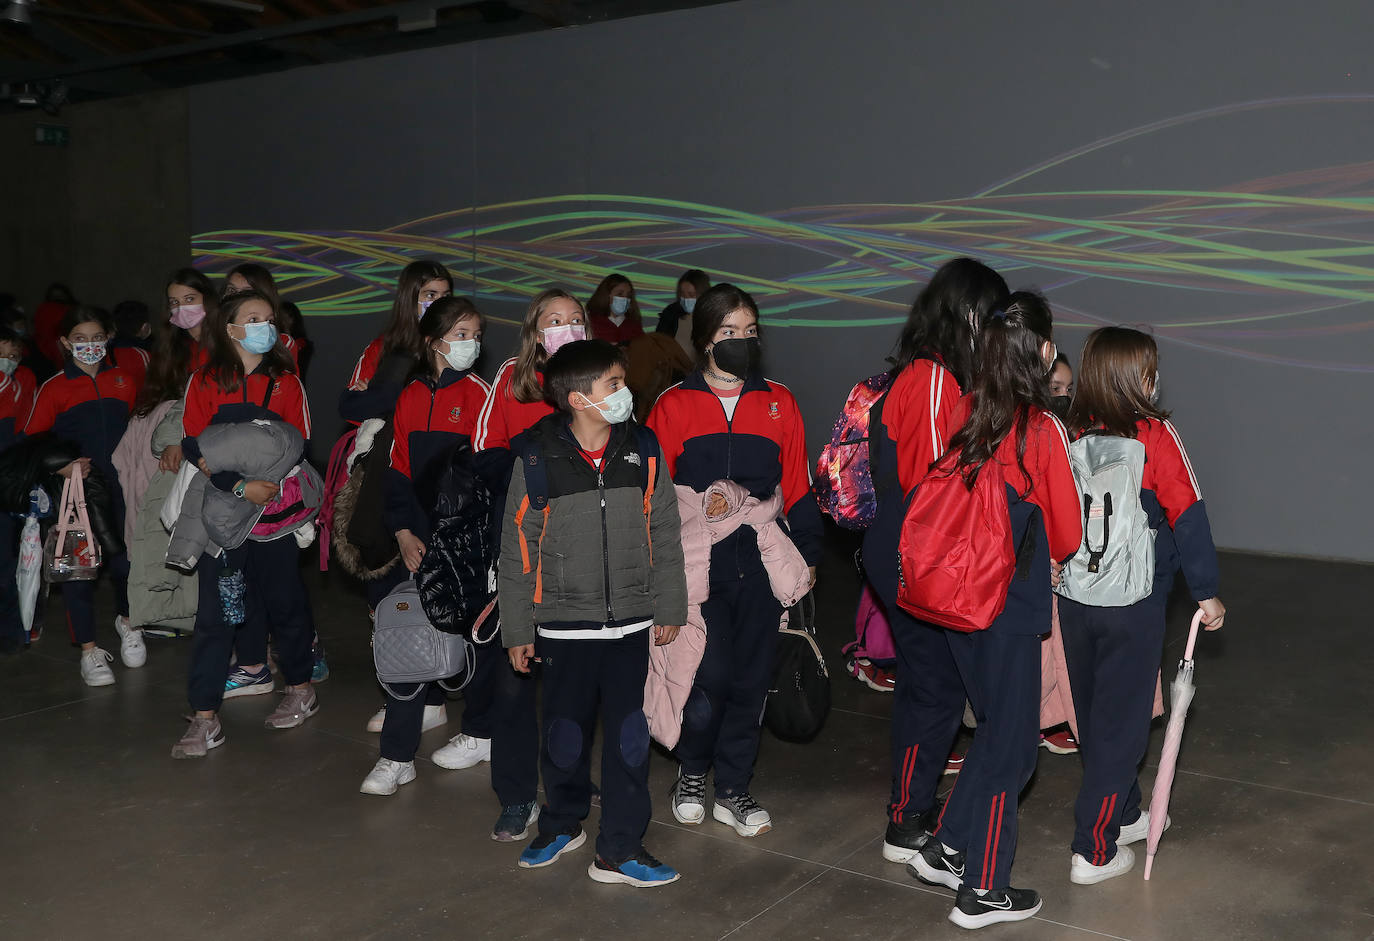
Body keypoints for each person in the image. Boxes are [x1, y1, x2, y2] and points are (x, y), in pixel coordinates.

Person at [905, 292, 1082, 930]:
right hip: (1010, 606)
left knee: (994, 733)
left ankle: (946, 846)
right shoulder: (1041, 428)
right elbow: (1067, 532)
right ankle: (984, 890)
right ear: (1044, 349)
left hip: (955, 599)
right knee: (1013, 752)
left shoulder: (965, 406)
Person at [500, 338, 686, 887]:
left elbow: (665, 530)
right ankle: (562, 822)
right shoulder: (537, 457)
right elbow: (518, 547)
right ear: (579, 399)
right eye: (615, 384)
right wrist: (518, 627)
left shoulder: (643, 447)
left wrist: (669, 603)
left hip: (631, 624)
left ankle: (620, 847)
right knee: (564, 734)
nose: (626, 392)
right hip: (563, 628)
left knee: (630, 739)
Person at [647, 283, 822, 839]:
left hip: (761, 559)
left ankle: (733, 788)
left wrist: (809, 554)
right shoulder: (673, 404)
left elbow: (798, 483)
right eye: (729, 332)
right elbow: (652, 496)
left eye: (750, 331)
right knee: (708, 675)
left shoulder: (779, 402)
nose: (741, 341)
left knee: (750, 680)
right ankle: (693, 772)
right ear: (705, 339)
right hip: (697, 561)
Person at [1057, 327, 1225, 884]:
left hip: (1074, 598)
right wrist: (1206, 590)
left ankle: (1125, 811)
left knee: (1094, 714)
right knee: (1123, 725)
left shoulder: (1066, 430)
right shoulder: (1154, 433)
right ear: (1137, 377)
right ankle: (1094, 849)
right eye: (1150, 370)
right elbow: (1188, 514)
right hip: (1134, 600)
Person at [861, 258, 1009, 864]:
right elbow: (934, 482)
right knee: (936, 689)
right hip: (914, 553)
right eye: (994, 317)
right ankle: (907, 821)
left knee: (927, 684)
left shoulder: (935, 374)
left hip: (914, 549)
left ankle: (910, 807)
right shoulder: (930, 378)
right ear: (970, 314)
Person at [171, 289, 316, 757]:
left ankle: (300, 686)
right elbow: (193, 444)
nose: (264, 327)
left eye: (269, 319)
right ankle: (204, 717)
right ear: (229, 327)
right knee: (217, 614)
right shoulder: (204, 380)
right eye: (252, 318)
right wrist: (238, 486)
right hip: (224, 514)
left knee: (284, 602)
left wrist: (261, 484)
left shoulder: (286, 383)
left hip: (274, 514)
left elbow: (299, 444)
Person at [359, 296, 492, 794]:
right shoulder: (411, 395)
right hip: (417, 544)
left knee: (476, 646)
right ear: (434, 341)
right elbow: (397, 473)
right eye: (461, 334)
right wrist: (403, 532)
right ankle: (397, 757)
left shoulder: (481, 395)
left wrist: (464, 543)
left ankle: (481, 732)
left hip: (468, 547)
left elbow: (486, 477)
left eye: (476, 335)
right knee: (408, 643)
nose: (471, 343)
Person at [467, 287, 585, 841]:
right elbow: (484, 452)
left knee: (576, 679)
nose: (566, 327)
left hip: (583, 551)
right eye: (554, 320)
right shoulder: (512, 377)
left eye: (575, 319)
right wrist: (534, 464)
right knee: (514, 677)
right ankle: (516, 795)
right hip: (520, 545)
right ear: (535, 330)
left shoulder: (599, 378)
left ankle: (569, 782)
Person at [341, 260, 454, 733]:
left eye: (444, 294)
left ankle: (432, 698)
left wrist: (384, 395)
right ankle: (401, 690)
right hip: (383, 479)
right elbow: (352, 406)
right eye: (428, 294)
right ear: (409, 297)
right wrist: (386, 393)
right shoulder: (383, 347)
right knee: (386, 590)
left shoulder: (455, 347)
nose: (437, 302)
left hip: (437, 483)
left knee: (433, 587)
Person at [24, 306, 142, 683]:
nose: (90, 345)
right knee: (78, 570)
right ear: (65, 342)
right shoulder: (54, 387)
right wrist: (60, 466)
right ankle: (89, 651)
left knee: (125, 563)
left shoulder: (124, 380)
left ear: (108, 339)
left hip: (121, 486)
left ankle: (129, 621)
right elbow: (32, 442)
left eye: (97, 337)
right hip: (74, 491)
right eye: (80, 338)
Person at [0, 324, 34, 655]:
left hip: (7, 483)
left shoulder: (19, 384)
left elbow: (23, 430)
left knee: (5, 561)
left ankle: (9, 631)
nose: (7, 360)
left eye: (13, 354)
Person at [224, 263, 303, 370]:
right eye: (232, 290)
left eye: (247, 292)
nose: (236, 297)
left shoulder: (283, 345)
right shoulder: (210, 338)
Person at [655, 268, 710, 360]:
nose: (686, 298)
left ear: (703, 294)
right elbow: (658, 343)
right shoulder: (670, 313)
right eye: (682, 294)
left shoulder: (712, 317)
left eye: (691, 294)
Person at [585, 273, 646, 345]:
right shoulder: (590, 322)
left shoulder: (634, 324)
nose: (625, 299)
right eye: (620, 294)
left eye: (628, 295)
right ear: (607, 295)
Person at [33, 282, 77, 368]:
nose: (58, 298)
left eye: (60, 295)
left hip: (59, 345)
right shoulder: (45, 309)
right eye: (55, 295)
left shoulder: (70, 309)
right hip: (51, 346)